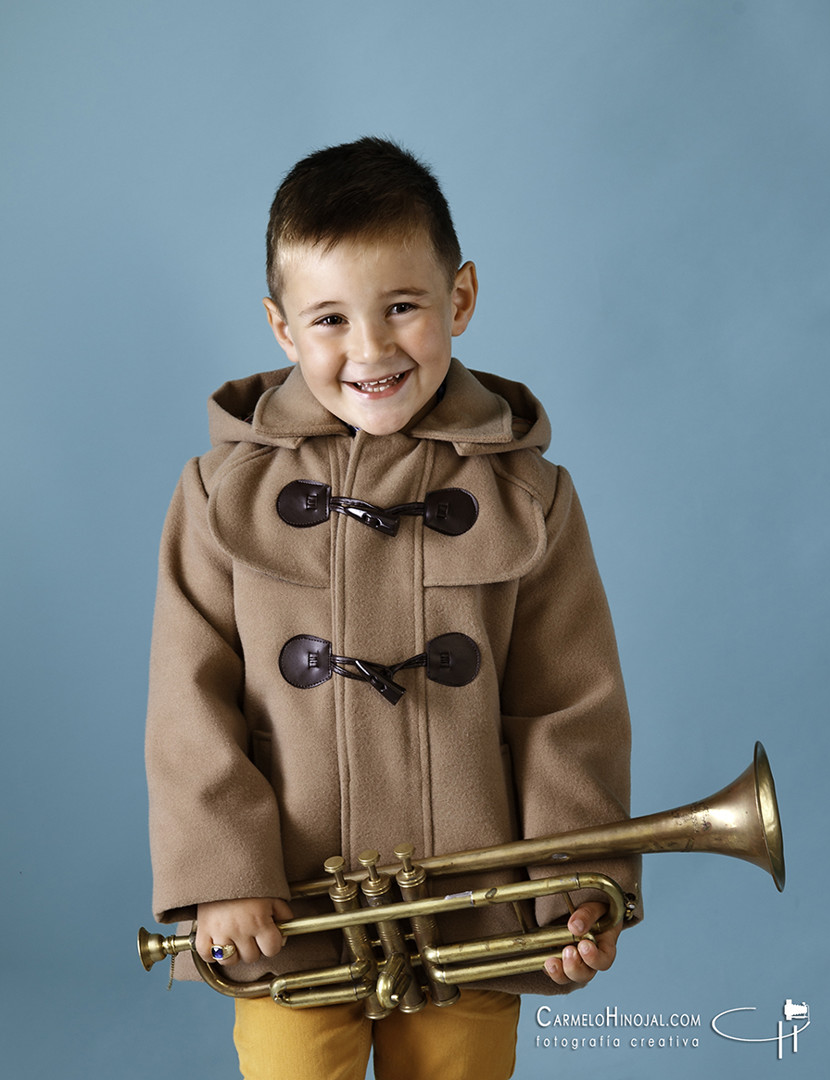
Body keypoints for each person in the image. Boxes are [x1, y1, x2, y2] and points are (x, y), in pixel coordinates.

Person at [145, 137, 641, 1080]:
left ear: (459, 300)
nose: (370, 349)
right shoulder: (218, 496)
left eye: (402, 308)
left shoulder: (531, 499)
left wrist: (577, 888)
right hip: (285, 917)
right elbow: (188, 703)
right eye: (329, 317)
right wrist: (221, 877)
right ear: (282, 329)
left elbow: (568, 705)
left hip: (476, 916)